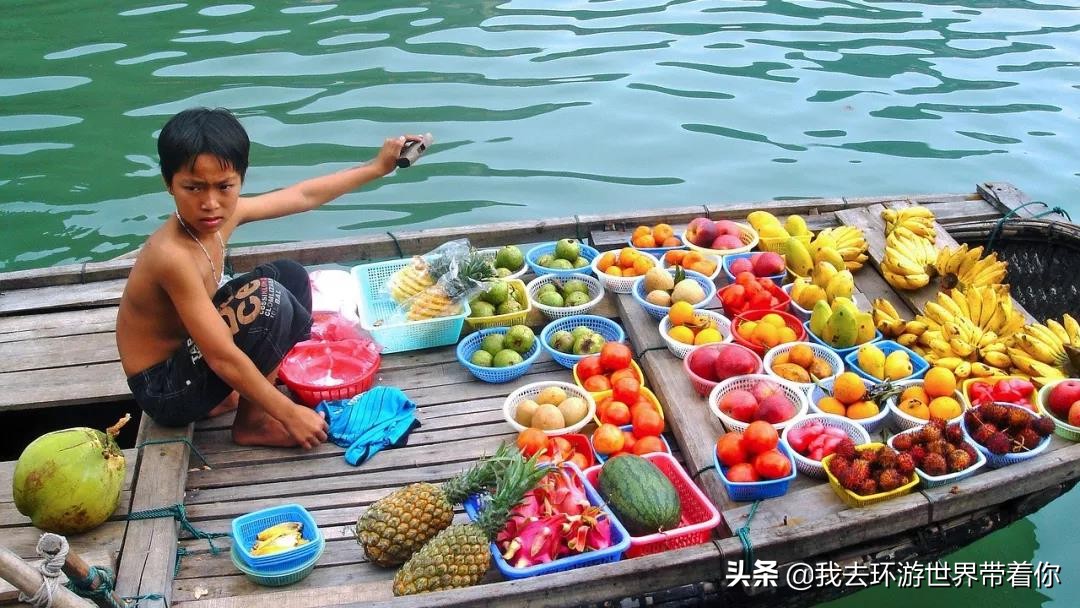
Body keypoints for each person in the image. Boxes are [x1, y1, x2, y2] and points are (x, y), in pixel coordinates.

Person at [116, 107, 416, 449]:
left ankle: (235, 398)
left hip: (190, 360)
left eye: (224, 187)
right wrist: (289, 412)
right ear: (168, 183)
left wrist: (377, 168)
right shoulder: (173, 256)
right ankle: (252, 424)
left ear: (240, 180)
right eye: (193, 188)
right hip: (164, 390)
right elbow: (221, 357)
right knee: (269, 299)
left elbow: (304, 196)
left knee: (290, 276)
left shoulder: (220, 217)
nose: (210, 203)